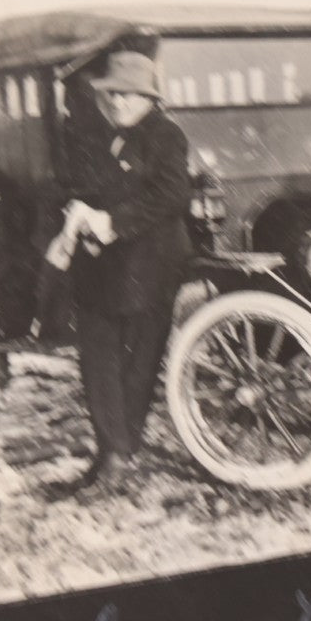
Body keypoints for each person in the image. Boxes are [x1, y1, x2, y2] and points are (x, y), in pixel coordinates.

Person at [59, 49, 192, 495]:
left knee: (138, 364)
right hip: (101, 266)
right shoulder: (96, 135)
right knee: (99, 362)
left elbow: (172, 195)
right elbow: (80, 184)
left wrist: (115, 222)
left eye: (129, 95)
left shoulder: (166, 136)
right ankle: (111, 451)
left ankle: (118, 454)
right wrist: (79, 209)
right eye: (112, 93)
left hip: (150, 265)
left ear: (149, 98)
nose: (118, 102)